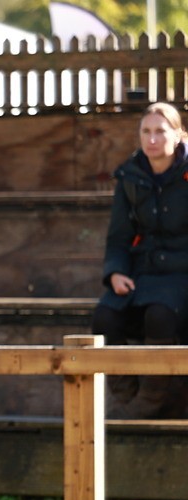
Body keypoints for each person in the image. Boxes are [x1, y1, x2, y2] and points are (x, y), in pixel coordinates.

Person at [92, 102, 188, 418]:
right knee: (104, 317)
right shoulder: (130, 177)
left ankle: (151, 399)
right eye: (146, 131)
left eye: (160, 131)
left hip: (182, 273)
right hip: (142, 272)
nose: (152, 139)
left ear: (178, 134)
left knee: (160, 315)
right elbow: (119, 237)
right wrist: (116, 273)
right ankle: (126, 395)